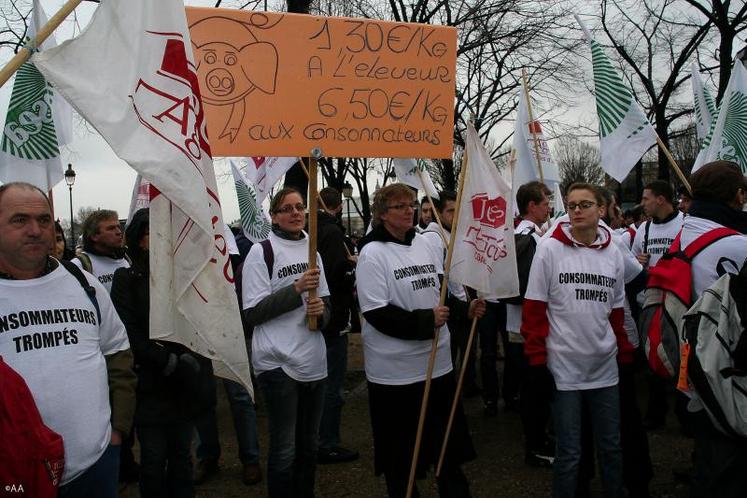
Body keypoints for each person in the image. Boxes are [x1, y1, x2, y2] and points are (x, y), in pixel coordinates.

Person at [0, 182, 136, 497]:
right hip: (16, 477)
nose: (35, 230)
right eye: (20, 220)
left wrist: (118, 432)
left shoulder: (82, 282)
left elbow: (118, 350)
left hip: (95, 467)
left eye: (44, 220)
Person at [356, 183, 485, 498]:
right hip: (396, 375)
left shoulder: (426, 243)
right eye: (400, 206)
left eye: (411, 204)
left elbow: (439, 290)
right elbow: (376, 312)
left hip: (438, 365)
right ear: (383, 214)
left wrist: (464, 309)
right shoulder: (372, 253)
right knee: (403, 459)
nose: (409, 210)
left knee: (446, 451)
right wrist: (426, 321)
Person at [522, 182, 634, 498]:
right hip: (565, 369)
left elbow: (616, 311)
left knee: (611, 446)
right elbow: (534, 310)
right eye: (571, 205)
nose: (577, 211)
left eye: (585, 204)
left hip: (604, 368)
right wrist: (536, 360)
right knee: (570, 452)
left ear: (602, 209)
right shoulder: (549, 248)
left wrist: (624, 353)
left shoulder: (613, 251)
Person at [110, 208, 215, 498]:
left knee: (182, 456)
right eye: (148, 233)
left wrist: (192, 358)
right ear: (137, 239)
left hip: (183, 384)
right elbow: (129, 332)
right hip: (151, 385)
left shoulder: (184, 276)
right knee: (154, 460)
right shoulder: (126, 279)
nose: (156, 239)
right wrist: (166, 361)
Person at [242, 187, 331, 498]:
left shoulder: (313, 250)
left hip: (313, 361)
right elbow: (252, 313)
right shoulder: (261, 252)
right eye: (287, 208)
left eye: (299, 207)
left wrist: (321, 313)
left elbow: (326, 308)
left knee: (309, 446)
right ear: (275, 217)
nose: (296, 213)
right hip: (278, 364)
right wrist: (295, 290)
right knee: (285, 450)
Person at [678, 161, 747, 498]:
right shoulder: (737, 244)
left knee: (708, 458)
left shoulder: (681, 232)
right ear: (738, 195)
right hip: (730, 375)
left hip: (690, 366)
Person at [194, 226, 262, 487]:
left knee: (240, 395)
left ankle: (251, 458)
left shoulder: (219, 226)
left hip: (226, 321)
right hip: (196, 323)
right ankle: (208, 456)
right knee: (202, 398)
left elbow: (232, 268)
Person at [505, 181, 554, 466]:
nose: (549, 206)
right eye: (545, 201)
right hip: (528, 328)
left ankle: (539, 440)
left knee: (534, 388)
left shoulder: (526, 234)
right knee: (534, 390)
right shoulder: (529, 238)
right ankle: (535, 446)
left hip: (522, 326)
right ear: (531, 206)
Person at [631, 181, 685, 431]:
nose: (643, 204)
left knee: (682, 357)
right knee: (653, 357)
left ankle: (685, 414)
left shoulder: (685, 224)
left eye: (646, 198)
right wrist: (637, 261)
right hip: (650, 302)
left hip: (677, 303)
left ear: (661, 199)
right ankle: (655, 414)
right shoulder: (644, 228)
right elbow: (633, 262)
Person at [419, 190, 480, 399]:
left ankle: (466, 387)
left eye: (458, 210)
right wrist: (460, 307)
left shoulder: (453, 232)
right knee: (449, 357)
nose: (455, 215)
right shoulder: (432, 238)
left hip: (462, 304)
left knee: (469, 353)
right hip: (450, 310)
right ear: (439, 212)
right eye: (450, 210)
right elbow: (438, 281)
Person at [316, 187, 360, 464]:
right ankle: (327, 442)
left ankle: (318, 438)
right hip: (335, 317)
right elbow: (335, 275)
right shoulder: (331, 232)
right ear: (338, 205)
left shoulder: (316, 229)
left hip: (324, 316)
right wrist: (352, 266)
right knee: (333, 385)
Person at [74, 209, 130, 292]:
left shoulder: (127, 259)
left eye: (118, 227)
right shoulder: (79, 266)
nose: (119, 232)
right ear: (94, 236)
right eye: (111, 228)